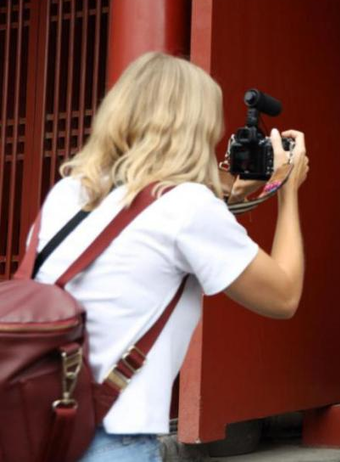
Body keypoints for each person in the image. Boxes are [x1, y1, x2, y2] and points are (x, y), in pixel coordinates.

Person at [31, 52, 309, 461]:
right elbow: (283, 297)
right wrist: (286, 190)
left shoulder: (69, 191)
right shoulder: (188, 206)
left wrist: (229, 198)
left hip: (39, 425)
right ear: (194, 126)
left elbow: (148, 235)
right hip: (113, 440)